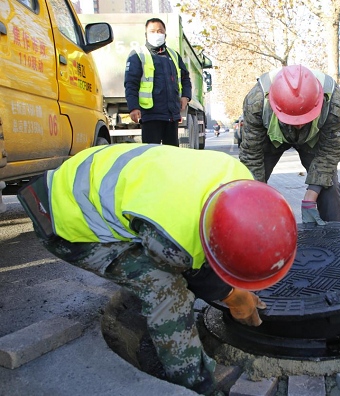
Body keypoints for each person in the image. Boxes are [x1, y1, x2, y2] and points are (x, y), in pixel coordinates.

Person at [17, 144, 297, 393]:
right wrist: (232, 295)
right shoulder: (174, 239)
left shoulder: (239, 178)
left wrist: (233, 288)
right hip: (60, 216)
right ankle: (195, 383)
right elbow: (192, 273)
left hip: (91, 175)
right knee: (165, 288)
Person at [239, 65, 340, 225]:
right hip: (271, 140)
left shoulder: (335, 103)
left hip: (312, 139)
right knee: (248, 188)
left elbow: (330, 152)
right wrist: (258, 201)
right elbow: (252, 157)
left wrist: (312, 195)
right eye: (292, 119)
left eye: (304, 119)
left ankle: (335, 237)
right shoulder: (256, 102)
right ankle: (248, 234)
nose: (298, 125)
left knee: (328, 187)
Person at [124, 18, 192, 146]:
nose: (156, 34)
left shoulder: (174, 55)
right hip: (150, 115)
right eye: (152, 31)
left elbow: (185, 78)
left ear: (165, 34)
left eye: (160, 31)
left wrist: (186, 96)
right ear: (146, 35)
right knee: (151, 156)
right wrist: (133, 107)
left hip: (171, 114)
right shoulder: (138, 55)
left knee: (171, 156)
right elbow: (131, 83)